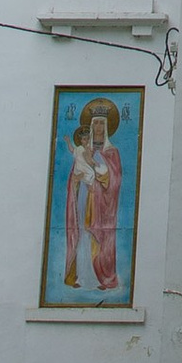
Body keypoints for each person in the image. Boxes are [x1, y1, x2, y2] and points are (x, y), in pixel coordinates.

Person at [62, 99, 126, 295]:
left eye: (101, 123)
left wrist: (99, 173)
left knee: (95, 234)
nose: (98, 127)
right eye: (95, 123)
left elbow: (114, 181)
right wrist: (77, 180)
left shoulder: (111, 152)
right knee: (82, 232)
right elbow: (74, 176)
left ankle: (100, 276)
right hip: (83, 197)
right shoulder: (83, 151)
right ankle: (81, 276)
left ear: (106, 127)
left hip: (101, 206)